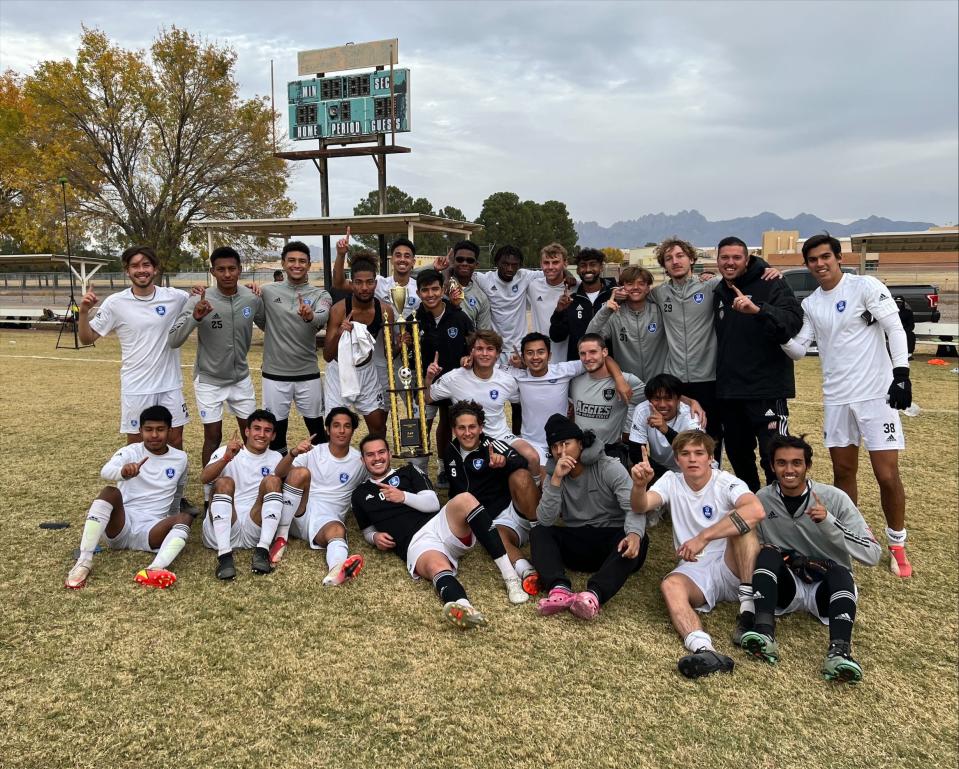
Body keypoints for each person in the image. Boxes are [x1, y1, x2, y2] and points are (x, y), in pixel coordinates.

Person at [780, 233, 913, 577]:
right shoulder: (811, 304)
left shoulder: (864, 285)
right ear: (806, 265)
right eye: (813, 260)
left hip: (875, 396)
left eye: (826, 257)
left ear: (839, 257)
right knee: (844, 473)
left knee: (886, 475)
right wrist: (769, 323)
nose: (820, 264)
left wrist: (901, 375)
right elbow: (797, 349)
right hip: (836, 398)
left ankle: (896, 543)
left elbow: (894, 328)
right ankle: (848, 539)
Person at [740, 435, 881, 683]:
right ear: (772, 467)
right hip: (787, 587)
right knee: (768, 553)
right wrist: (788, 557)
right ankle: (763, 632)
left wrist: (830, 523)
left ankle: (839, 652)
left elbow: (872, 554)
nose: (789, 470)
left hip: (827, 590)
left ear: (808, 466)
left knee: (839, 571)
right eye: (781, 463)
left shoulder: (835, 498)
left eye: (797, 463)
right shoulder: (762, 499)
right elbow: (753, 543)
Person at [631, 429, 764, 679]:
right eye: (685, 454)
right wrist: (639, 486)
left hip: (732, 562)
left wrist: (703, 537)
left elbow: (756, 510)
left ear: (710, 458)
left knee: (741, 524)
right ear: (677, 459)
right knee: (670, 585)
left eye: (699, 453)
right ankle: (703, 648)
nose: (692, 459)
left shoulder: (725, 481)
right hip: (695, 568)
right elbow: (641, 505)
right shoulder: (671, 480)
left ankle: (748, 610)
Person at [352, 435, 516, 628]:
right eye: (370, 455)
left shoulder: (409, 471)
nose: (377, 458)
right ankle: (464, 607)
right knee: (435, 568)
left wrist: (403, 496)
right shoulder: (359, 494)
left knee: (465, 499)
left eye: (381, 452)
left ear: (389, 454)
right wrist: (374, 537)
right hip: (416, 543)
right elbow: (367, 530)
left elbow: (433, 503)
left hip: (440, 524)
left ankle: (510, 577)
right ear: (363, 460)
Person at [532, 415, 649, 620]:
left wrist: (634, 534)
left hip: (611, 541)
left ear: (580, 443)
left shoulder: (609, 467)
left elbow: (634, 508)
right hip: (578, 540)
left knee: (639, 537)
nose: (560, 451)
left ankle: (593, 596)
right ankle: (559, 589)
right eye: (555, 447)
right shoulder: (554, 475)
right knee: (539, 531)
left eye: (566, 443)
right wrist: (556, 479)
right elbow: (545, 519)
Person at [64, 406, 192, 590]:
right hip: (122, 526)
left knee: (185, 517)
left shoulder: (180, 458)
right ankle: (83, 562)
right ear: (140, 431)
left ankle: (155, 568)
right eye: (148, 430)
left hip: (152, 529)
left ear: (170, 431)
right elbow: (105, 471)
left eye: (160, 429)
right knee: (110, 492)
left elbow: (178, 492)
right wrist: (123, 472)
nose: (154, 435)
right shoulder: (130, 451)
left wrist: (170, 522)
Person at [713, 236, 803, 490]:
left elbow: (794, 321)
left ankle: (779, 510)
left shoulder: (770, 280)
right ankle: (752, 503)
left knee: (775, 456)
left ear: (747, 258)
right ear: (717, 260)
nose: (730, 263)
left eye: (736, 258)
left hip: (766, 389)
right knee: (739, 456)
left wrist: (759, 310)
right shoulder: (720, 290)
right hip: (730, 391)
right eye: (724, 258)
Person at [78, 245, 190, 449]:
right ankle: (139, 481)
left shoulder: (176, 297)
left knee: (175, 440)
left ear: (155, 269)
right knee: (137, 444)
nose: (141, 270)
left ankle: (173, 482)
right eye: (135, 266)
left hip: (170, 384)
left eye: (146, 265)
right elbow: (87, 339)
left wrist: (252, 290)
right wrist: (84, 312)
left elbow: (205, 298)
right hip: (136, 387)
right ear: (127, 271)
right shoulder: (115, 303)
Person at [169, 245, 262, 469]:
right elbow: (174, 340)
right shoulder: (199, 299)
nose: (227, 274)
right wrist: (195, 316)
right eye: (221, 269)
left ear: (240, 270)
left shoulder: (251, 298)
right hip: (209, 379)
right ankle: (208, 493)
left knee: (252, 435)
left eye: (232, 268)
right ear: (212, 272)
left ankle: (250, 482)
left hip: (240, 378)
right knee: (213, 436)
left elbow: (268, 324)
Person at [443, 400, 541, 601]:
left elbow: (523, 463)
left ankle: (539, 531)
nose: (467, 433)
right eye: (461, 428)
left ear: (481, 428)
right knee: (497, 538)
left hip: (515, 508)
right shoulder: (450, 452)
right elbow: (455, 490)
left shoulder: (492, 445)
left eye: (472, 427)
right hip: (493, 519)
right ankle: (528, 572)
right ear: (454, 430)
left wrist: (504, 462)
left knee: (520, 475)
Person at [270, 408, 368, 583]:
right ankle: (281, 535)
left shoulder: (360, 461)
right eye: (336, 426)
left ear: (353, 430)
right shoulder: (313, 451)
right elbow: (279, 472)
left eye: (347, 426)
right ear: (328, 429)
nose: (342, 431)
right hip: (297, 511)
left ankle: (336, 570)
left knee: (338, 531)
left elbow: (378, 478)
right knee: (300, 473)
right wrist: (293, 453)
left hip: (328, 519)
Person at [425, 329, 542, 476]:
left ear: (498, 354)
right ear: (471, 352)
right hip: (471, 438)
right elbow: (426, 398)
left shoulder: (507, 379)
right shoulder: (454, 378)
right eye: (479, 349)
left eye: (490, 349)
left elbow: (526, 398)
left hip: (501, 435)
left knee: (532, 457)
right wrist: (429, 379)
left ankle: (538, 496)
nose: (485, 353)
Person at [254, 241, 332, 455]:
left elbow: (322, 316)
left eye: (302, 261)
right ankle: (280, 473)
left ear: (309, 265)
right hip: (274, 374)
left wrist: (310, 316)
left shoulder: (321, 295)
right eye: (292, 260)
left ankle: (323, 470)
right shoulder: (267, 292)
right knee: (276, 428)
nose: (297, 265)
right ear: (283, 263)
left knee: (316, 426)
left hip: (308, 374)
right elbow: (262, 321)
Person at [334, 232, 421, 408]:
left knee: (415, 407)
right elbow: (338, 283)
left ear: (413, 261)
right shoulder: (378, 282)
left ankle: (416, 435)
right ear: (392, 259)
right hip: (382, 357)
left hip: (408, 355)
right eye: (398, 255)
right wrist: (341, 254)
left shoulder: (419, 288)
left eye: (407, 256)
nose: (402, 259)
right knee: (382, 408)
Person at [406, 268, 474, 484]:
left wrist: (468, 358)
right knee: (422, 423)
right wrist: (404, 345)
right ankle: (419, 470)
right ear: (418, 293)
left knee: (448, 422)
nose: (430, 294)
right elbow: (408, 357)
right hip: (425, 382)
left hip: (454, 380)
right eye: (425, 290)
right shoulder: (412, 319)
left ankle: (445, 466)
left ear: (442, 289)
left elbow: (472, 344)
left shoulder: (459, 317)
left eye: (435, 289)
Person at [200, 408, 284, 579]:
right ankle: (224, 557)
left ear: (273, 436)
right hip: (224, 526)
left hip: (257, 528)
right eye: (256, 428)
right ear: (247, 431)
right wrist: (226, 458)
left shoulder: (276, 457)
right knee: (225, 482)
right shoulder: (226, 451)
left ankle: (262, 550)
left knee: (273, 480)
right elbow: (204, 478)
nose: (261, 434)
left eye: (267, 430)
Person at [323, 257, 392, 435]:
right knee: (337, 428)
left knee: (378, 426)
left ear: (376, 283)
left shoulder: (385, 310)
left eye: (369, 282)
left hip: (367, 371)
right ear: (351, 284)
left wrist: (400, 343)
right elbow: (327, 355)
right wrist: (339, 333)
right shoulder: (339, 309)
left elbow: (389, 352)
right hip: (340, 371)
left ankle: (376, 461)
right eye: (359, 283)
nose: (364, 288)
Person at [569, 333, 645, 463]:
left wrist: (686, 400)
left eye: (593, 352)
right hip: (580, 454)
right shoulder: (574, 381)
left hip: (610, 453)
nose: (587, 358)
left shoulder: (626, 381)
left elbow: (656, 395)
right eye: (583, 353)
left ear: (604, 352)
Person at [586, 265, 667, 384]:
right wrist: (605, 310)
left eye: (641, 283)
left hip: (659, 385)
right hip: (627, 385)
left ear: (648, 288)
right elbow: (589, 337)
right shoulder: (614, 315)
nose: (635, 287)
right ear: (622, 287)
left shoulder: (660, 311)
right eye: (630, 283)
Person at [627, 373, 702, 478]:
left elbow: (696, 450)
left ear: (678, 399)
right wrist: (669, 479)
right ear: (649, 399)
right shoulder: (642, 410)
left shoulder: (691, 415)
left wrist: (666, 430)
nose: (662, 404)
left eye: (668, 398)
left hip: (692, 470)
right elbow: (636, 453)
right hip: (659, 471)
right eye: (656, 399)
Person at [550, 248, 616, 361]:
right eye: (583, 265)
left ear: (601, 267)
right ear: (577, 270)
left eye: (593, 265)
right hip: (579, 366)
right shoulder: (571, 299)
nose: (588, 269)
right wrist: (559, 312)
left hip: (609, 367)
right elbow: (557, 337)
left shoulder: (614, 295)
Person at [528, 242, 576, 362]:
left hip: (567, 360)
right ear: (541, 264)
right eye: (546, 262)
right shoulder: (533, 286)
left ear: (565, 263)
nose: (550, 267)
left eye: (555, 262)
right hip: (540, 359)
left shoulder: (576, 287)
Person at [445, 240, 492, 331]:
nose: (464, 263)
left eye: (470, 261)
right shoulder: (440, 285)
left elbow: (483, 333)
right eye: (460, 259)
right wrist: (444, 268)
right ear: (453, 261)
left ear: (476, 265)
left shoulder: (481, 298)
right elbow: (412, 273)